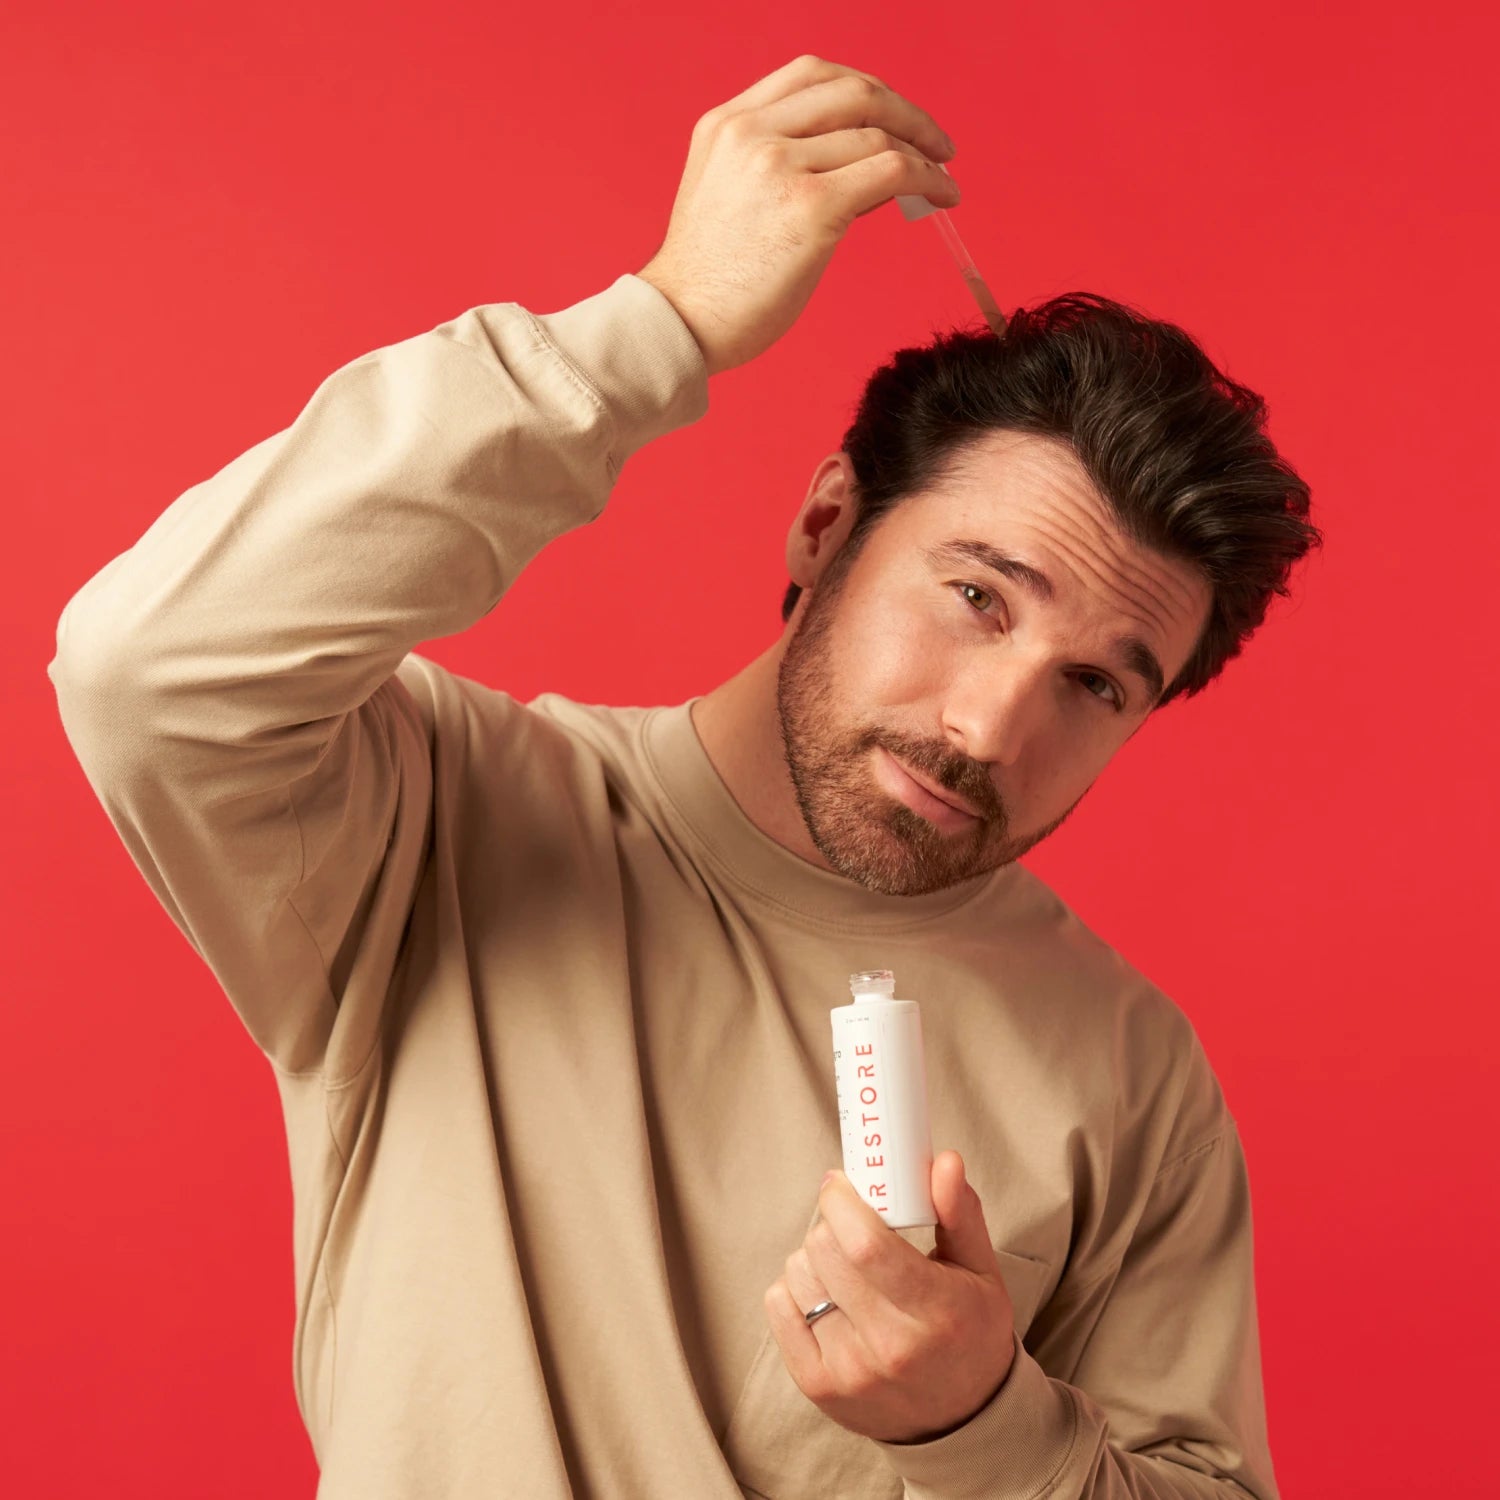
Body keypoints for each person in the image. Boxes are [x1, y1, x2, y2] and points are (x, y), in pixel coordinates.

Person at [48, 52, 1318, 1500]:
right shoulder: (439, 822)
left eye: (1096, 685)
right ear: (828, 523)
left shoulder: (1133, 1075)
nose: (988, 727)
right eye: (976, 596)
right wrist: (665, 323)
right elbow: (149, 663)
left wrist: (984, 1429)